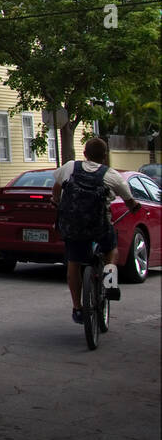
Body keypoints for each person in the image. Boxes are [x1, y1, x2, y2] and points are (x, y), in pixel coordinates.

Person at [51, 137, 140, 325]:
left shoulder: (69, 167)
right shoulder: (111, 175)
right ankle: (109, 282)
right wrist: (133, 206)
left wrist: (56, 201)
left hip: (73, 226)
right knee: (111, 249)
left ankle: (77, 308)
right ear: (105, 157)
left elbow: (57, 187)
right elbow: (129, 200)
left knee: (74, 263)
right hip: (99, 227)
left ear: (84, 154)